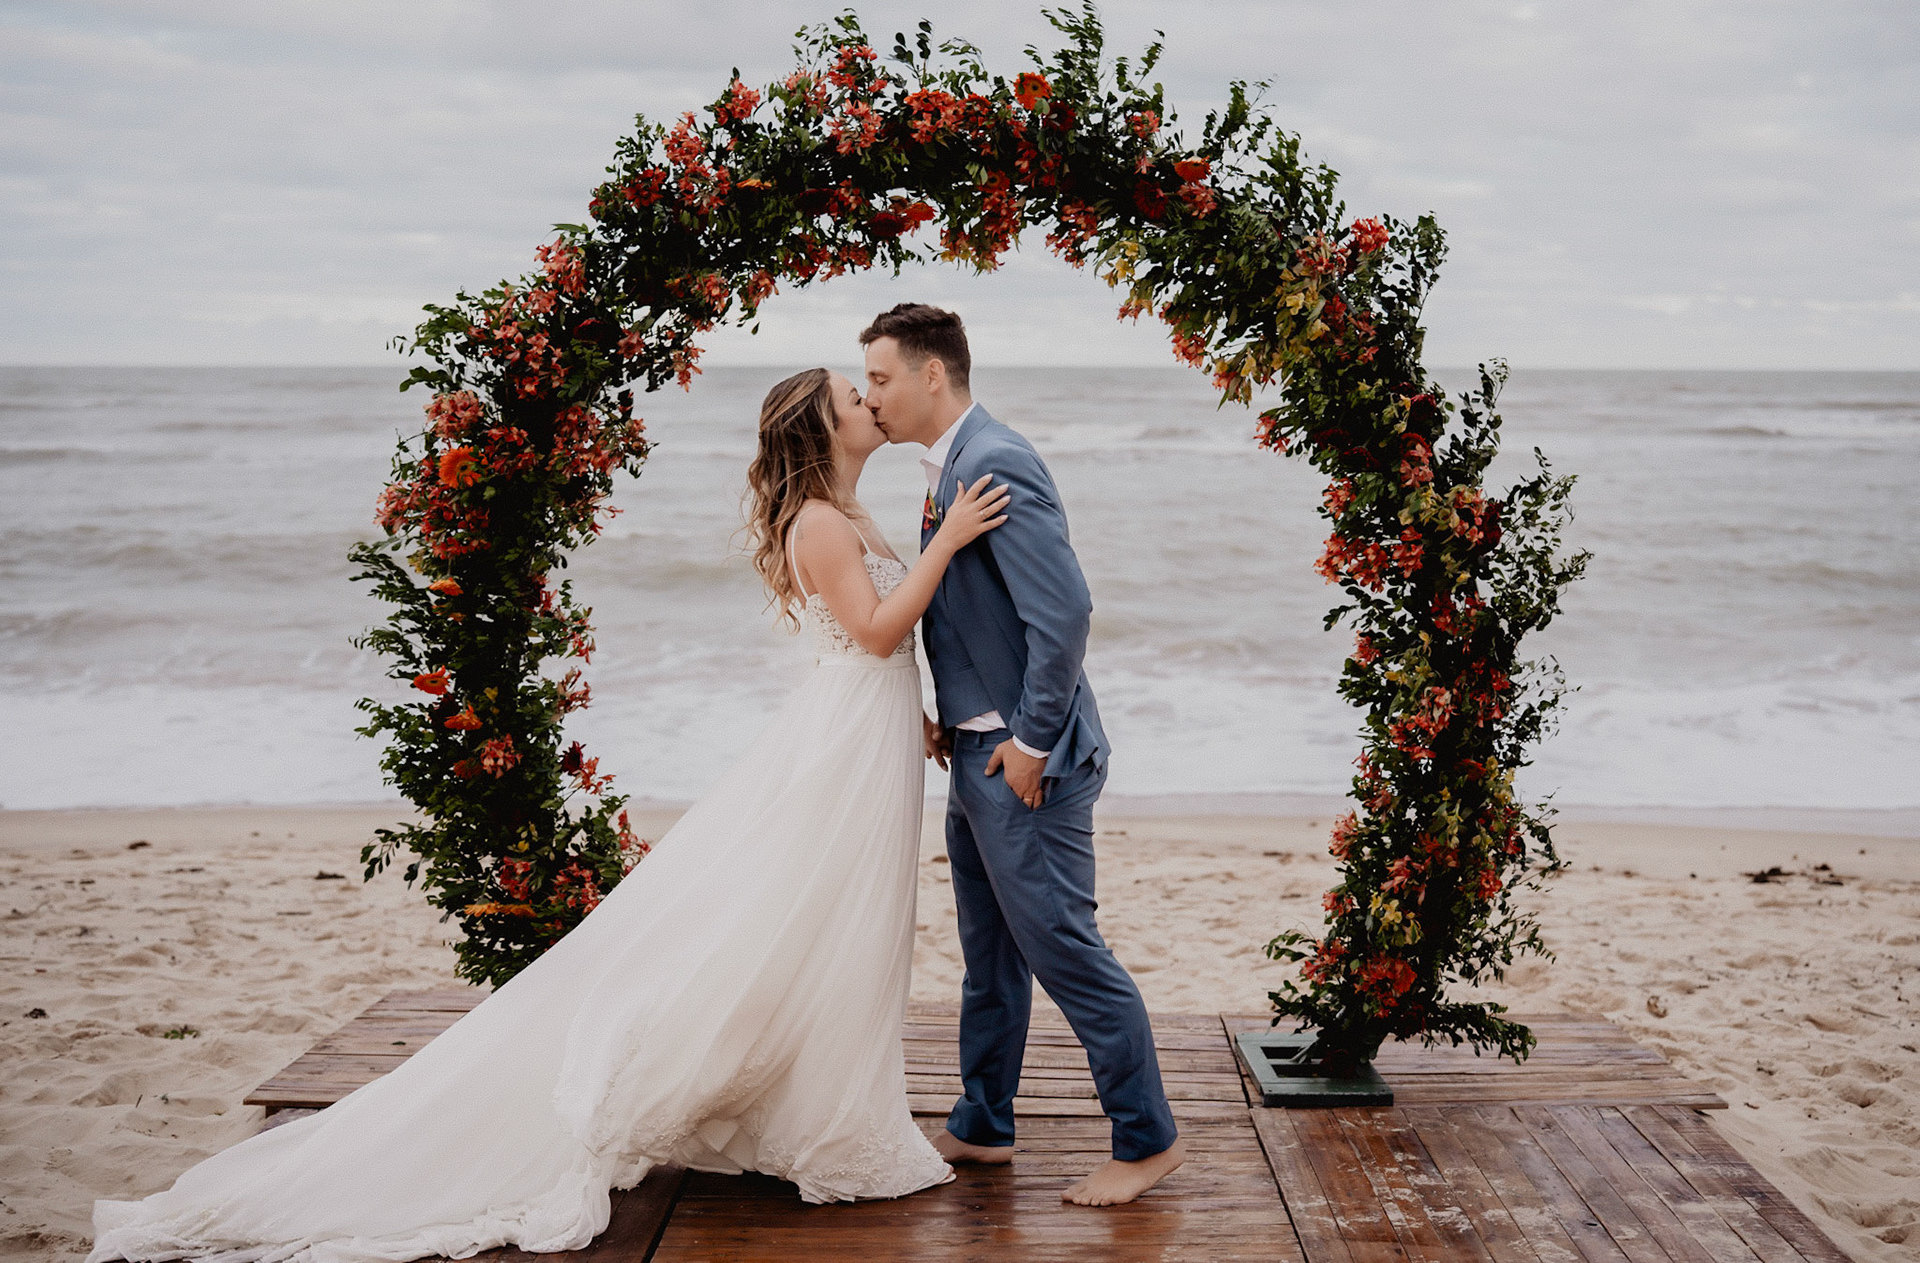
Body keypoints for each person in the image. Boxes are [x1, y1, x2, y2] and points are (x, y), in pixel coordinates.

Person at [86, 367, 1010, 1262]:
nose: (871, 400)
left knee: (837, 927)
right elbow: (879, 631)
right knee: (809, 918)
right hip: (839, 746)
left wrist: (919, 711)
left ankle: (811, 1109)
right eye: (856, 396)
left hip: (869, 730)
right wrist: (950, 539)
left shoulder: (845, 514)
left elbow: (867, 646)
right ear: (820, 427)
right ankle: (787, 1116)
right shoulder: (817, 522)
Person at [860, 303, 1187, 1206]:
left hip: (1022, 763)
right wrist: (943, 711)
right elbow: (969, 614)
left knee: (1066, 951)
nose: (872, 397)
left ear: (934, 375)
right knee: (991, 954)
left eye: (882, 378)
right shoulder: (948, 469)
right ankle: (984, 1123)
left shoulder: (994, 459)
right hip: (975, 755)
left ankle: (1146, 1139)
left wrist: (1031, 744)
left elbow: (1065, 613)